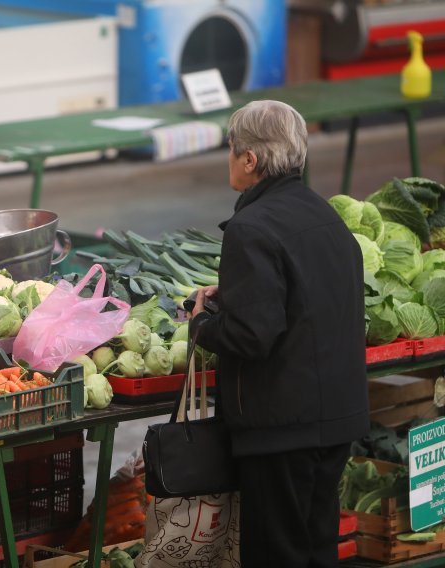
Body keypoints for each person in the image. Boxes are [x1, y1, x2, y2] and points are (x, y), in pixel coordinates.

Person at [189, 100, 369, 567]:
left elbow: (252, 336)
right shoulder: (323, 215)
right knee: (315, 549)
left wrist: (202, 325)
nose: (229, 159)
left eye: (231, 150)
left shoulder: (251, 227)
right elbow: (309, 297)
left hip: (282, 428)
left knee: (278, 555)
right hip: (334, 417)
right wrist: (235, 291)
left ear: (249, 160)